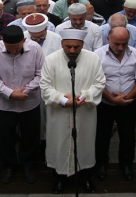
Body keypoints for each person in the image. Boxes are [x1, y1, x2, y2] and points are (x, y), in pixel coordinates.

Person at [40, 28, 106, 194]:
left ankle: (85, 177)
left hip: (85, 112)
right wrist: (63, 100)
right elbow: (45, 86)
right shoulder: (51, 59)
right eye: (68, 46)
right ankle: (59, 178)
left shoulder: (93, 58)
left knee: (85, 143)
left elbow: (99, 83)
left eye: (76, 47)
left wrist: (82, 97)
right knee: (59, 143)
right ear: (61, 44)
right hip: (59, 113)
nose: (72, 50)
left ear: (82, 45)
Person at [0, 23, 45, 184]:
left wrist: (25, 91)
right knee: (5, 137)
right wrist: (10, 93)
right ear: (3, 41)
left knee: (30, 136)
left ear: (24, 40)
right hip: (4, 104)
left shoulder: (35, 49)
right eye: (9, 48)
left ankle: (28, 164)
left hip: (29, 102)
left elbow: (41, 74)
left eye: (16, 48)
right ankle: (9, 165)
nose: (13, 52)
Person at [94, 27, 136, 181]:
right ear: (108, 39)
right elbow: (95, 82)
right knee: (102, 135)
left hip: (129, 103)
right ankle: (101, 164)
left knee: (128, 135)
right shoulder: (97, 56)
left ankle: (127, 164)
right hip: (104, 103)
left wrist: (130, 96)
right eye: (117, 44)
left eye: (124, 44)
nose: (121, 48)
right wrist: (112, 99)